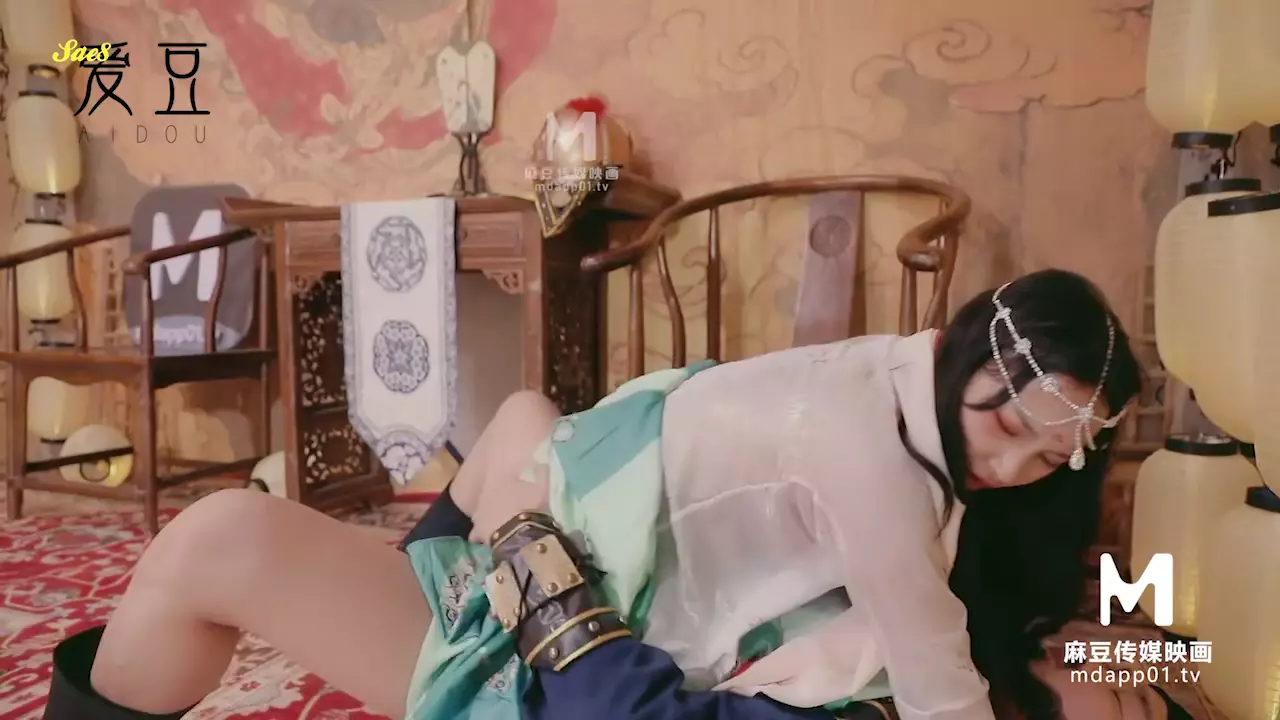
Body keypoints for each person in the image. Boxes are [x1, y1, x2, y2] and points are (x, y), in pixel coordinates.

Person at [42, 269, 1154, 720]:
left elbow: (623, 710)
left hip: (563, 663)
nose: (1012, 463)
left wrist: (536, 570)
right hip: (581, 591)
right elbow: (1089, 645)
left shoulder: (909, 633)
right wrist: (1160, 660)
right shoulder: (916, 486)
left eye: (1046, 456)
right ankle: (438, 560)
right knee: (524, 412)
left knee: (217, 537)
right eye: (1010, 427)